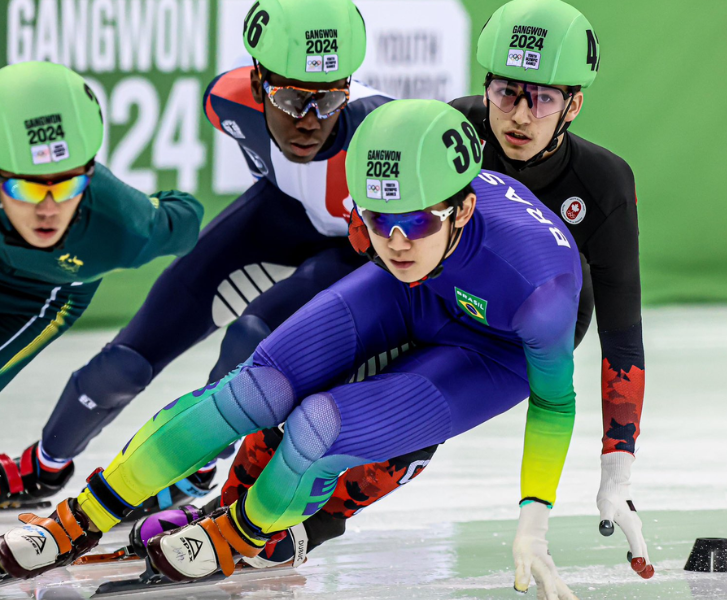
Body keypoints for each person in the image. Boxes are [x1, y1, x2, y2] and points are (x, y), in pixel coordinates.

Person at [0, 99, 586, 599]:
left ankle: (239, 535)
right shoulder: (410, 231)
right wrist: (410, 238)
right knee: (253, 389)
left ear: (464, 208)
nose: (397, 241)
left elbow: (557, 405)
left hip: (492, 349)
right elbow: (403, 242)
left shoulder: (542, 290)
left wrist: (533, 520)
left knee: (317, 426)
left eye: (417, 223)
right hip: (421, 291)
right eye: (379, 220)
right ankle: (79, 518)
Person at [211, 0, 654, 580]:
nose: (519, 116)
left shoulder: (603, 182)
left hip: (513, 333)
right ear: (486, 86)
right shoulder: (454, 128)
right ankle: (224, 508)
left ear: (574, 104)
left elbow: (622, 339)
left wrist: (616, 471)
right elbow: (376, 225)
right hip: (429, 290)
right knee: (308, 380)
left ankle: (310, 527)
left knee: (404, 428)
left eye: (542, 98)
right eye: (505, 91)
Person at [0, 0, 392, 514]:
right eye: (290, 98)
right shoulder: (227, 103)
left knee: (248, 341)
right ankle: (43, 465)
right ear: (259, 81)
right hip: (282, 212)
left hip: (352, 251)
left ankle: (192, 471)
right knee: (124, 362)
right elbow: (295, 177)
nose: (310, 121)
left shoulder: (383, 136)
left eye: (330, 100)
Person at [0, 61, 203, 504]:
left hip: (30, 304)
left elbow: (186, 213)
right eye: (27, 189)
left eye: (68, 184)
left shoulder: (124, 228)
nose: (49, 209)